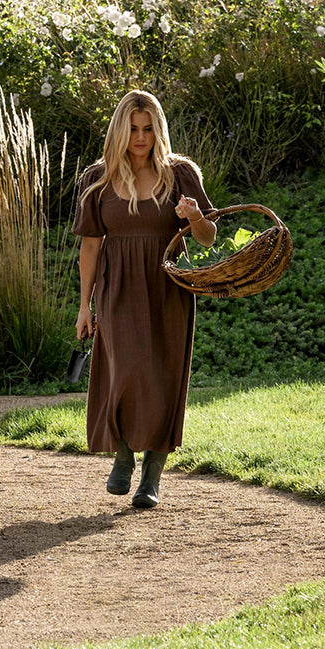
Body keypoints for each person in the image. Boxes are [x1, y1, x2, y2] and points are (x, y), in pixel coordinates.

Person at [73, 89, 218, 509]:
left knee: (163, 375)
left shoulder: (181, 173)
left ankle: (151, 474)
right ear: (120, 129)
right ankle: (123, 453)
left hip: (169, 285)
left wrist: (193, 217)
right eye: (133, 129)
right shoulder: (96, 178)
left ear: (159, 130)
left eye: (149, 128)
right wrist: (85, 305)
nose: (141, 137)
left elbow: (208, 236)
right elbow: (90, 246)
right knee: (126, 368)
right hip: (116, 286)